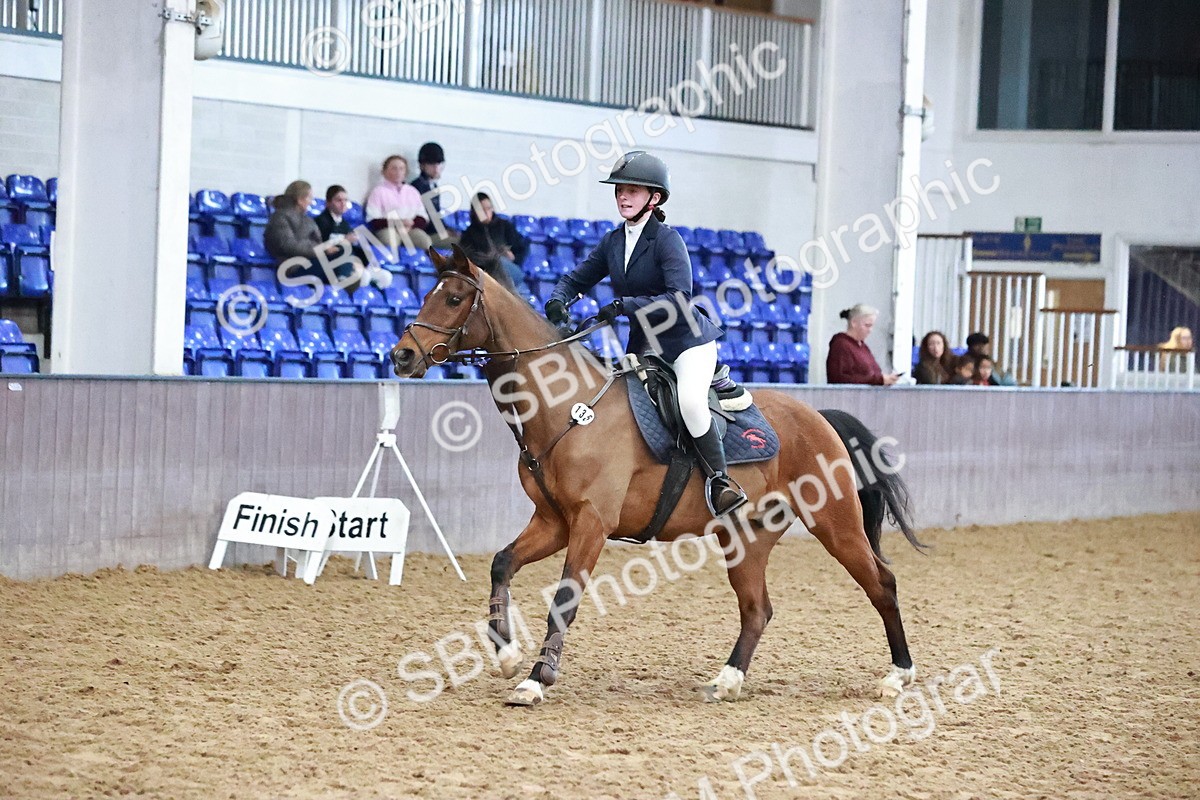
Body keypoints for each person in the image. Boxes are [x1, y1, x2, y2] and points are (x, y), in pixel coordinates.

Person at [544, 150, 745, 517]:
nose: (623, 196)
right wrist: (558, 301)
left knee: (690, 403)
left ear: (654, 198)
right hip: (643, 347)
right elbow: (577, 278)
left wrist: (624, 307)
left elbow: (680, 299)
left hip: (686, 345)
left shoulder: (668, 241)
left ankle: (720, 482)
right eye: (620, 189)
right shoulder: (613, 241)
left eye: (633, 190)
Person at [264, 180, 356, 285]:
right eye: (309, 198)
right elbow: (288, 245)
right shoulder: (280, 218)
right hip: (293, 266)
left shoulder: (308, 220)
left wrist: (324, 249)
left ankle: (344, 280)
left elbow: (318, 243)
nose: (311, 202)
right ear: (300, 200)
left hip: (312, 261)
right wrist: (321, 249)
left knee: (343, 251)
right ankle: (344, 281)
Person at [316, 184, 389, 290]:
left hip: (352, 261)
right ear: (328, 203)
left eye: (345, 200)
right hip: (334, 265)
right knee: (364, 276)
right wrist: (344, 241)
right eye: (338, 200)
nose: (343, 204)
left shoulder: (345, 224)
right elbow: (323, 249)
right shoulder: (321, 222)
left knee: (385, 277)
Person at [459, 192, 530, 294]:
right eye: (482, 210)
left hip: (508, 270)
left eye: (489, 208)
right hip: (486, 274)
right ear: (474, 212)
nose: (486, 212)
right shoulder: (469, 234)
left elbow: (522, 248)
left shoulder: (505, 226)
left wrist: (514, 257)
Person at [364, 155, 432, 252]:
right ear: (385, 171)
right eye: (394, 168)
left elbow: (423, 217)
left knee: (425, 241)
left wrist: (411, 224)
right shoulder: (378, 192)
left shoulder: (412, 191)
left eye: (401, 169)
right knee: (391, 241)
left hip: (410, 229)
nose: (398, 172)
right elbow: (373, 220)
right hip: (388, 229)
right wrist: (398, 223)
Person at [826, 305, 900, 385]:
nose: (870, 330)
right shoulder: (841, 345)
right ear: (854, 323)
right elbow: (839, 378)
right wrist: (878, 380)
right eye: (867, 325)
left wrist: (885, 379)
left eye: (872, 326)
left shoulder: (863, 347)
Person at [410, 142, 457, 244]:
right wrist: (443, 231)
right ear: (422, 165)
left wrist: (447, 229)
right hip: (425, 234)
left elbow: (436, 214)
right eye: (431, 165)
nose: (436, 169)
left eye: (439, 164)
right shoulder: (416, 187)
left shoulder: (434, 186)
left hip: (435, 231)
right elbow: (427, 218)